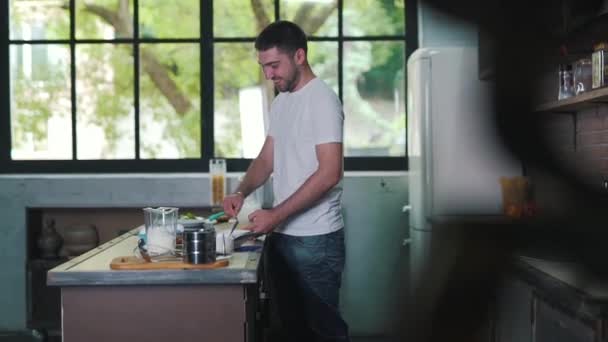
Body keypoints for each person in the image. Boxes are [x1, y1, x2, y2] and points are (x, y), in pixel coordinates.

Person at [222, 20, 349, 342]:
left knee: (325, 332)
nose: (269, 74)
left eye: (274, 65)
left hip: (315, 240)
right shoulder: (282, 102)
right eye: (264, 67)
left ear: (300, 56)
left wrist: (275, 215)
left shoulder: (322, 100)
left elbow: (330, 172)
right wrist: (240, 191)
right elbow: (267, 159)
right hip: (282, 235)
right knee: (291, 329)